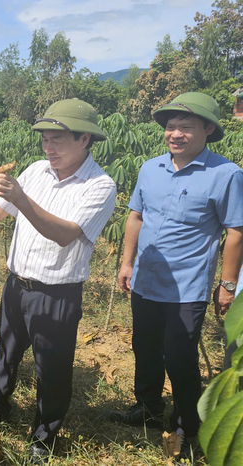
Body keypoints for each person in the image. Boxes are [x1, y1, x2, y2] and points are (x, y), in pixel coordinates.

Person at [0, 99, 116, 464]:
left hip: (56, 293)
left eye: (57, 141)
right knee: (6, 356)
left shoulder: (99, 186)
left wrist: (22, 198)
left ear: (85, 140)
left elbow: (64, 234)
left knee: (52, 367)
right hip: (16, 285)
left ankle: (45, 436)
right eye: (45, 140)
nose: (48, 149)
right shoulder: (35, 171)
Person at [111, 92, 243, 463]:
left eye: (186, 126)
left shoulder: (226, 174)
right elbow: (135, 216)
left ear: (208, 129)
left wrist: (228, 283)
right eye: (171, 127)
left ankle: (188, 425)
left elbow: (236, 231)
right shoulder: (150, 168)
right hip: (147, 280)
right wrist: (126, 263)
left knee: (180, 355)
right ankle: (148, 409)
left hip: (187, 285)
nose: (176, 133)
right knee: (145, 347)